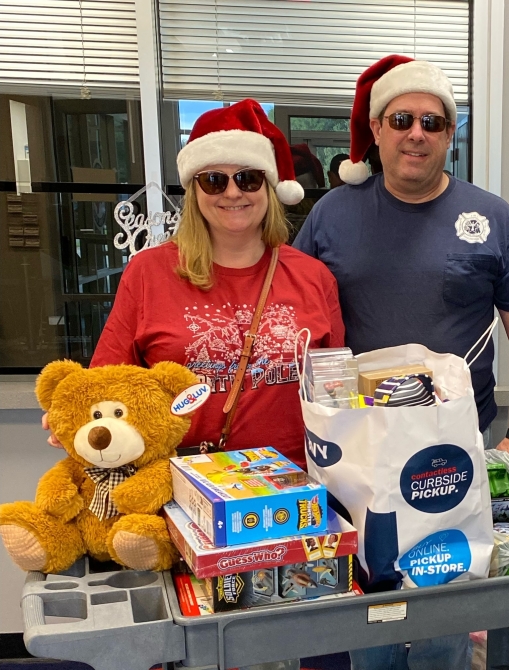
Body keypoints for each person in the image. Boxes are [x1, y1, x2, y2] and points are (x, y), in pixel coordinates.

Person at [294, 55, 509, 670]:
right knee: (368, 596)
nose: (416, 133)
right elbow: (295, 311)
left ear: (449, 138)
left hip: (454, 442)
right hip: (358, 446)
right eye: (401, 118)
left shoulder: (494, 218)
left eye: (432, 122)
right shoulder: (332, 214)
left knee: (446, 593)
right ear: (376, 131)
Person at [65, 99, 345, 470]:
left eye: (248, 178)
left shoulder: (313, 277)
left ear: (269, 187)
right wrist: (72, 412)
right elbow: (105, 384)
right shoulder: (148, 273)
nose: (232, 193)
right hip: (179, 486)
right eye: (214, 180)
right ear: (194, 191)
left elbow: (336, 393)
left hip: (292, 488)